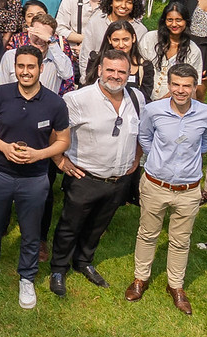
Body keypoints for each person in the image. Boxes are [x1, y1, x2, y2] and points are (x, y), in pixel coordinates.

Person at [0, 46, 70, 311]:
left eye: (31, 67)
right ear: (15, 68)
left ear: (41, 69)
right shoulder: (1, 94)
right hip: (0, 172)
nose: (25, 71)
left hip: (34, 178)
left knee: (31, 230)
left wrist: (40, 155)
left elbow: (63, 140)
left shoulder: (55, 102)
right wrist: (3, 147)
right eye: (21, 66)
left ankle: (27, 276)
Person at [49, 50, 143, 298]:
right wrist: (59, 159)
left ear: (129, 73)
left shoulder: (137, 98)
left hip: (119, 180)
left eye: (121, 71)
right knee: (70, 226)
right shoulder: (77, 99)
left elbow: (143, 132)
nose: (115, 76)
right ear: (100, 70)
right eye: (110, 70)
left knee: (98, 225)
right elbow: (57, 131)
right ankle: (59, 268)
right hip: (85, 178)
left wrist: (136, 158)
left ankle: (84, 261)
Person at [128, 64, 207, 314]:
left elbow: (206, 142)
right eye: (176, 84)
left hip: (188, 190)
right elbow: (144, 138)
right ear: (169, 85)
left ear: (195, 86)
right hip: (156, 184)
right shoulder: (153, 110)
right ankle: (140, 278)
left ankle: (175, 285)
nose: (181, 90)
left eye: (186, 85)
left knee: (181, 240)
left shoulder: (206, 114)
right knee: (147, 234)